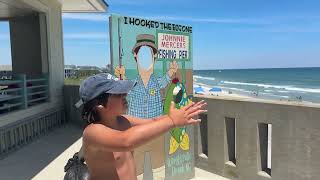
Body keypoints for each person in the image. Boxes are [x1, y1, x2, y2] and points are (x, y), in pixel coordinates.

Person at [75, 73, 207, 180]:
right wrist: (172, 121)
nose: (125, 96)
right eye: (118, 94)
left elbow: (153, 122)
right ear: (99, 104)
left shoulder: (122, 121)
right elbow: (126, 140)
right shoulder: (92, 132)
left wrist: (180, 115)